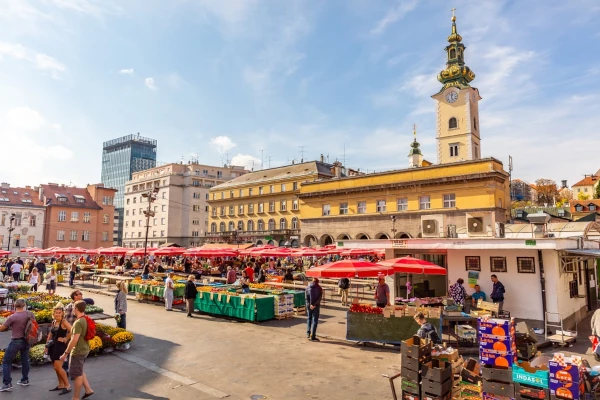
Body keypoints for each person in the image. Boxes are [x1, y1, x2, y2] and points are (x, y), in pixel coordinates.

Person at [60, 300, 94, 400]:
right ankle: (88, 390)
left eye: (74, 308)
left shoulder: (78, 322)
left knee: (77, 375)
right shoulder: (86, 319)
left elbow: (74, 340)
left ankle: (75, 398)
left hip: (78, 351)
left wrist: (65, 353)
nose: (73, 310)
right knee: (79, 370)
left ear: (76, 309)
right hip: (85, 349)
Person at [0, 298, 31, 391]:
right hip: (27, 339)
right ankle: (25, 379)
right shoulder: (29, 314)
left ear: (14, 305)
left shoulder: (13, 317)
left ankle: (7, 383)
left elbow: (2, 328)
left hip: (16, 340)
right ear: (24, 305)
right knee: (25, 359)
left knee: (6, 361)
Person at [46, 305, 72, 395]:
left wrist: (65, 338)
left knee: (58, 367)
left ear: (63, 313)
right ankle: (61, 385)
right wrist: (46, 346)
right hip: (53, 346)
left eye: (59, 312)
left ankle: (67, 385)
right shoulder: (54, 322)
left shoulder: (63, 322)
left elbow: (73, 330)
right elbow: (50, 334)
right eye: (56, 312)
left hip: (60, 347)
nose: (57, 314)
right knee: (55, 368)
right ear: (53, 313)